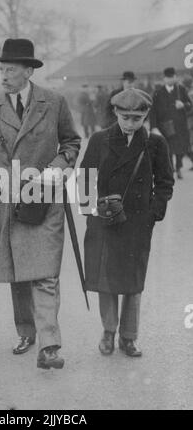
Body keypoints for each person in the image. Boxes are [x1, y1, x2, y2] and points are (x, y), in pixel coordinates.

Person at [0, 38, 81, 370]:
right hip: (5, 202)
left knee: (45, 273)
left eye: (11, 69)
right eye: (1, 69)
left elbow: (71, 143)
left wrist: (54, 171)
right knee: (18, 272)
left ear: (29, 71)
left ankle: (49, 345)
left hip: (44, 201)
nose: (3, 75)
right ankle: (26, 331)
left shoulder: (54, 101)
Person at [80, 88, 174, 358]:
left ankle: (129, 337)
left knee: (133, 281)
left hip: (137, 222)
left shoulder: (156, 144)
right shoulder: (99, 139)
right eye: (125, 117)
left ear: (145, 115)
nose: (131, 123)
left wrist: (153, 214)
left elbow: (165, 182)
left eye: (137, 118)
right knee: (106, 279)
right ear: (115, 113)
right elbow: (85, 176)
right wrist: (91, 212)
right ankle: (108, 332)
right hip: (105, 220)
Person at [150, 67, 193, 179]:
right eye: (168, 77)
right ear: (164, 79)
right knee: (167, 149)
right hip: (164, 126)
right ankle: (170, 169)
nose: (170, 79)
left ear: (175, 77)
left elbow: (190, 105)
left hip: (180, 125)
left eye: (172, 77)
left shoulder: (181, 90)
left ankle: (178, 168)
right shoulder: (158, 93)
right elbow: (153, 111)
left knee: (179, 149)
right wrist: (153, 127)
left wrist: (183, 105)